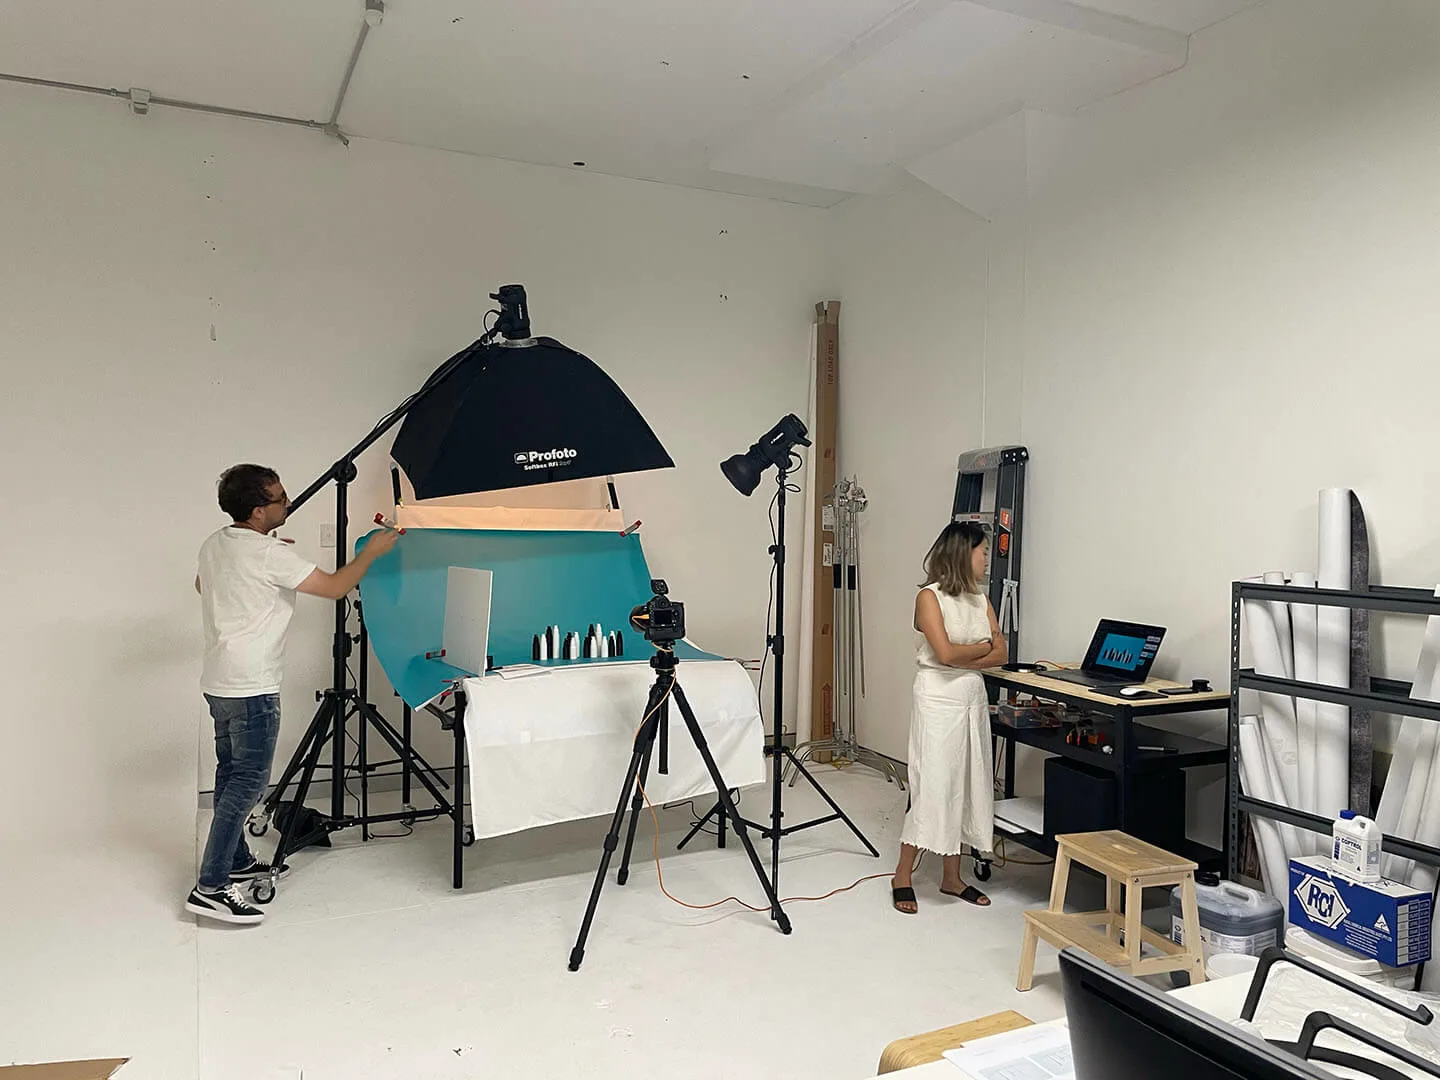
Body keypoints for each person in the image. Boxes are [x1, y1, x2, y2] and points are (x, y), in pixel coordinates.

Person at [185, 464, 399, 925]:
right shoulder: (265, 556)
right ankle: (211, 886)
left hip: (219, 682)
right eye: (281, 499)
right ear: (259, 511)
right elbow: (338, 587)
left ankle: (237, 858)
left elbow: (204, 584)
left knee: (230, 775)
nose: (289, 503)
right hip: (252, 686)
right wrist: (375, 552)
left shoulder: (216, 545)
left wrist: (261, 558)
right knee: (248, 783)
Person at [891, 522, 1008, 915]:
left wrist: (968, 652)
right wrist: (979, 649)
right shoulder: (929, 597)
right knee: (933, 784)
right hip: (937, 700)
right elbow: (944, 655)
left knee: (968, 782)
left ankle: (952, 877)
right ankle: (902, 875)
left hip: (971, 698)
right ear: (963, 553)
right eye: (983, 552)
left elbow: (1002, 653)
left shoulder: (981, 599)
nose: (987, 560)